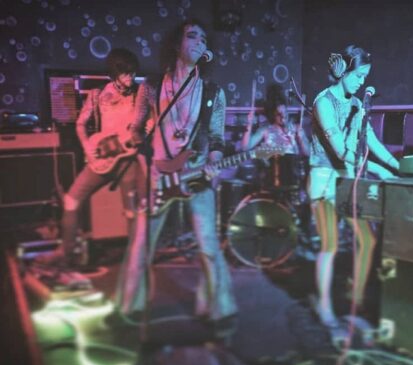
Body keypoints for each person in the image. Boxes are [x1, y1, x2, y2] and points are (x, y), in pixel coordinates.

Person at [114, 18, 237, 329]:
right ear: (176, 44)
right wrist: (144, 161)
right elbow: (136, 129)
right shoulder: (151, 86)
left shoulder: (212, 91)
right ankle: (130, 306)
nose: (199, 42)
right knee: (141, 245)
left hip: (195, 175)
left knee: (208, 245)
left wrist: (214, 161)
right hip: (156, 174)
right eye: (192, 36)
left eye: (204, 39)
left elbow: (217, 138)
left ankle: (219, 308)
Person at [308, 45, 399, 328]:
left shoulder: (358, 104)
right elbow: (340, 151)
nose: (362, 82)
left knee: (367, 240)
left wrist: (397, 165)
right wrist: (378, 170)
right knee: (330, 245)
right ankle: (323, 306)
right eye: (359, 75)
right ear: (343, 71)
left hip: (347, 179)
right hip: (324, 180)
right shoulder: (324, 102)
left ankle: (355, 296)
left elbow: (371, 141)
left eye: (365, 77)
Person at [39, 48, 146, 268]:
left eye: (133, 73)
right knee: (71, 199)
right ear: (114, 73)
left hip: (128, 160)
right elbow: (80, 124)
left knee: (131, 211)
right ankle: (65, 252)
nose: (130, 77)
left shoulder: (141, 95)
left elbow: (150, 125)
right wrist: (88, 147)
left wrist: (142, 136)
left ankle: (136, 259)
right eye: (125, 73)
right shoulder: (97, 95)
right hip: (102, 159)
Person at [240, 84, 309, 156]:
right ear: (273, 115)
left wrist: (301, 139)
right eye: (279, 114)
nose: (283, 116)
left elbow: (308, 153)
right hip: (273, 163)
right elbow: (245, 147)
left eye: (285, 112)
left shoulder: (296, 129)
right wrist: (249, 123)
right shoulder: (265, 130)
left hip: (293, 163)